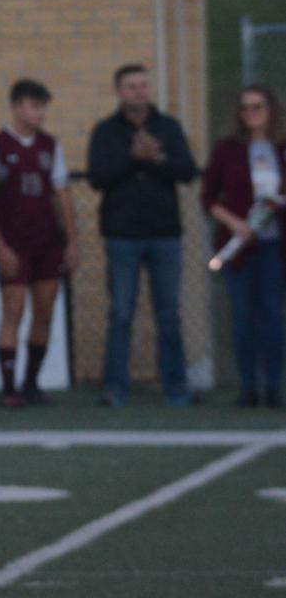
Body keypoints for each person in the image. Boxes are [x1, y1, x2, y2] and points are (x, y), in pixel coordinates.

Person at [86, 64, 199, 407]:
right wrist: (133, 158)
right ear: (119, 91)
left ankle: (176, 387)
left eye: (143, 85)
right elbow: (97, 178)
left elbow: (188, 172)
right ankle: (115, 388)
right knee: (120, 313)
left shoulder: (168, 127)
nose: (138, 91)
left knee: (168, 313)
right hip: (122, 235)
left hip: (164, 233)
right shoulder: (106, 131)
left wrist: (158, 156)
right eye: (131, 86)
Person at [0, 80, 78, 407]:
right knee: (13, 312)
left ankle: (31, 382)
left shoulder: (50, 146)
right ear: (17, 107)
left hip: (47, 241)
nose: (40, 113)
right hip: (14, 242)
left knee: (45, 313)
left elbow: (62, 193)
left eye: (43, 106)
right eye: (34, 106)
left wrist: (72, 240)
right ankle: (8, 388)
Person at [202, 83, 286, 408]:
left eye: (258, 106)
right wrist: (235, 223)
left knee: (272, 315)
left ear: (271, 110)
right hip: (238, 247)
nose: (251, 113)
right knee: (242, 316)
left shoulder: (281, 148)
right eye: (246, 107)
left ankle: (273, 387)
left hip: (274, 247)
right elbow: (208, 197)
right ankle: (248, 387)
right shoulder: (227, 150)